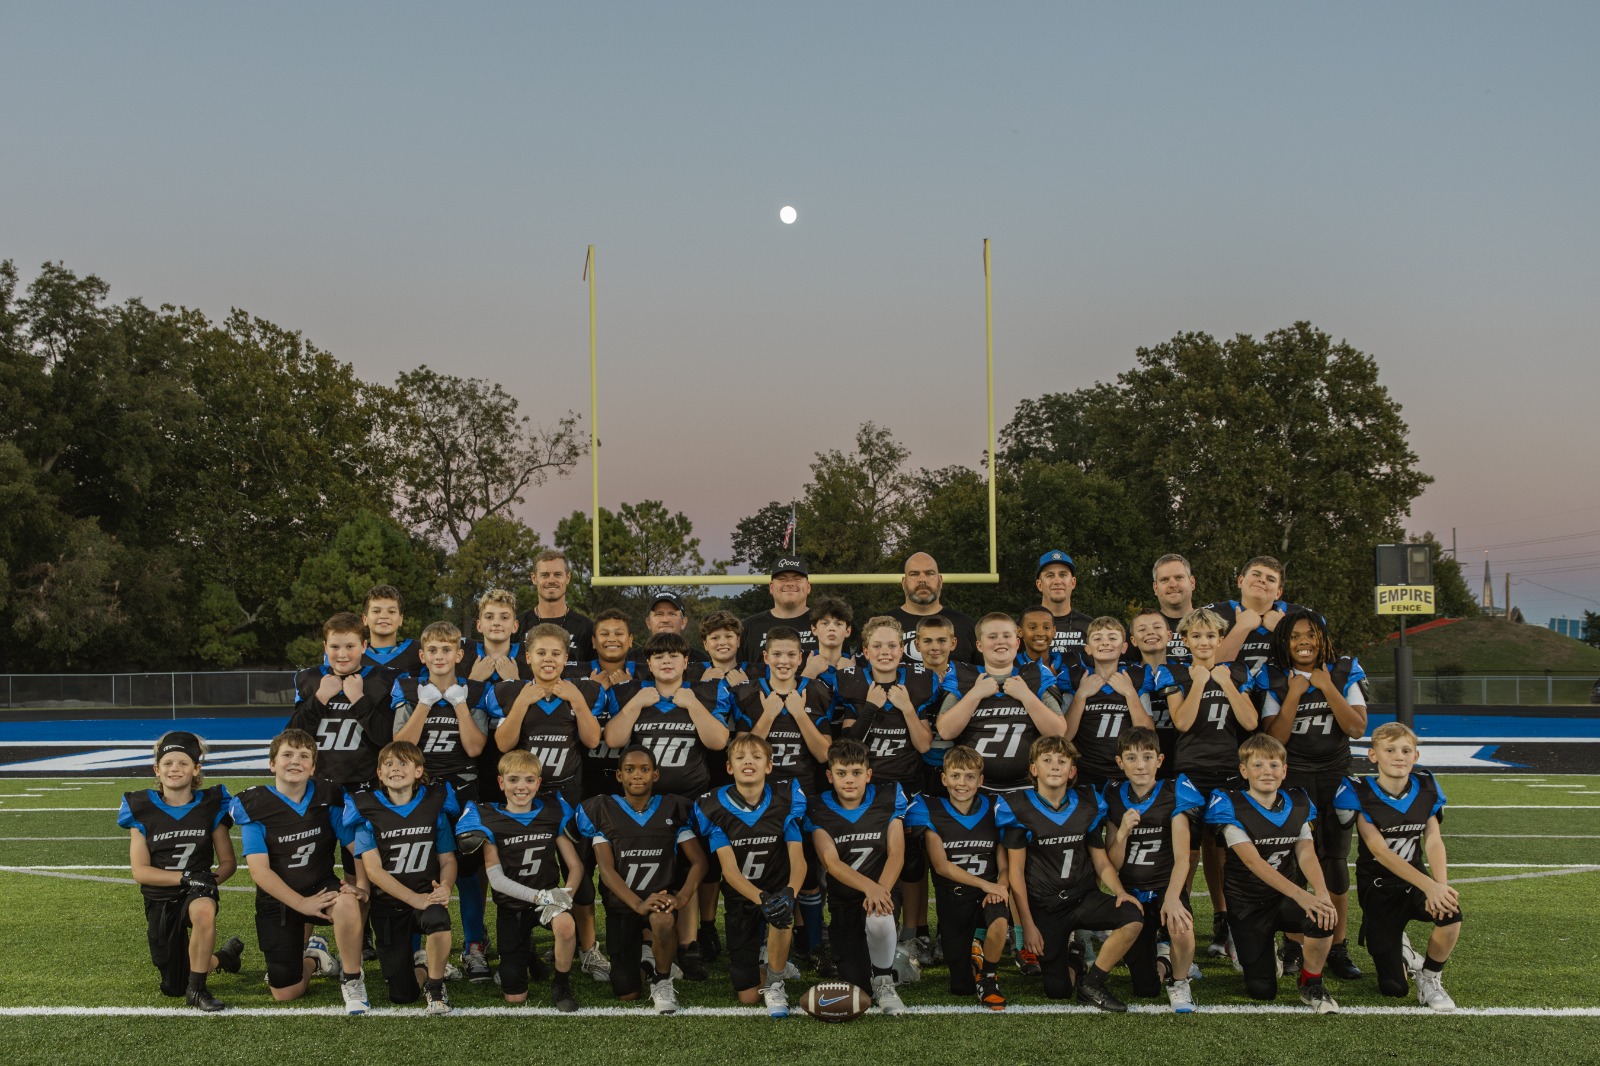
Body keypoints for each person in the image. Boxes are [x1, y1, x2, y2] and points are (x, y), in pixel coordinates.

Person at [487, 622, 610, 983]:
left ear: (566, 657)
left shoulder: (584, 690)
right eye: (540, 653)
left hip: (568, 796)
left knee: (582, 878)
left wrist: (575, 701)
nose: (548, 659)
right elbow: (503, 744)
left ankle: (588, 949)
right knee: (523, 874)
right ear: (527, 657)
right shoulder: (511, 692)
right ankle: (520, 950)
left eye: (556, 653)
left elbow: (591, 740)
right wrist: (523, 703)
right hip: (526, 798)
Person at [605, 630, 731, 979]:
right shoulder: (630, 693)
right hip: (645, 804)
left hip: (690, 802)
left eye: (674, 656)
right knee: (652, 870)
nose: (666, 662)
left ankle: (688, 946)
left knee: (687, 873)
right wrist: (635, 704)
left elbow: (719, 742)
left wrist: (691, 704)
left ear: (686, 662)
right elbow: (613, 739)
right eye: (659, 657)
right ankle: (651, 943)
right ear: (648, 663)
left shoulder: (704, 692)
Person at [1256, 608, 1368, 979]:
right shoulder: (1273, 676)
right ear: (1283, 642)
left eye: (1310, 634)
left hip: (1335, 776)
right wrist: (1295, 693)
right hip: (1294, 778)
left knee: (1334, 861)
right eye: (1294, 636)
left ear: (1323, 638)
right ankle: (1293, 942)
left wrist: (1326, 686)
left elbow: (1355, 727)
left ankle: (1337, 945)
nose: (1303, 641)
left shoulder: (1344, 669)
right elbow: (1275, 740)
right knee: (1293, 862)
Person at [997, 736, 1144, 1010]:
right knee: (1057, 991)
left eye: (1062, 761)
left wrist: (1121, 892)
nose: (1055, 766)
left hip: (1082, 896)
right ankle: (1075, 957)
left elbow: (1100, 860)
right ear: (1034, 769)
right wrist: (1026, 925)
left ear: (1072, 771)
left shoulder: (1088, 801)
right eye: (1047, 760)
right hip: (1046, 906)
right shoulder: (1017, 806)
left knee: (1133, 916)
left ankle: (1094, 983)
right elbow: (1016, 874)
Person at [231, 729, 370, 1013]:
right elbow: (260, 872)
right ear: (272, 764)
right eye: (288, 755)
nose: (296, 761)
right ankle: (314, 958)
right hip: (279, 900)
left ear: (313, 766)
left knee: (346, 901)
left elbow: (356, 845)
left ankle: (352, 977)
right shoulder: (254, 805)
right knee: (286, 993)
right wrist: (301, 904)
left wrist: (363, 885)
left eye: (304, 756)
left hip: (320, 887)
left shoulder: (327, 795)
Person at [831, 616, 946, 961]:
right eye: (877, 646)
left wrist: (908, 707)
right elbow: (847, 745)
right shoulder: (851, 684)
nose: (885, 652)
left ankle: (911, 934)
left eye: (892, 645)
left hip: (906, 786)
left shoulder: (920, 683)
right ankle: (857, 932)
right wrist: (870, 709)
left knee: (911, 861)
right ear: (865, 651)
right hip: (863, 790)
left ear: (902, 650)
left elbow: (925, 745)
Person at [1202, 734, 1340, 1012]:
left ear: (1284, 770)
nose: (1267, 772)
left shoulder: (1299, 802)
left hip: (1283, 898)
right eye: (1258, 765)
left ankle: (1311, 982)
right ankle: (1258, 949)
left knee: (1323, 916)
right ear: (1244, 771)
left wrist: (1322, 894)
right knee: (1262, 990)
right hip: (1247, 903)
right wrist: (1303, 895)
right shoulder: (1230, 804)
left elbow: (1306, 852)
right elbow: (1254, 863)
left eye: (1274, 765)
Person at [390, 620, 493, 982]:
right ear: (422, 655)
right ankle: (420, 948)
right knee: (419, 865)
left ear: (459, 655)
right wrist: (423, 706)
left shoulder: (475, 692)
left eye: (446, 650)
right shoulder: (407, 689)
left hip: (463, 787)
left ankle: (474, 945)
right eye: (432, 650)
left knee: (467, 870)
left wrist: (460, 706)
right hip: (420, 789)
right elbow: (401, 749)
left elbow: (475, 747)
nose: (439, 656)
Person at [1333, 723, 1462, 1011]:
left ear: (1415, 756)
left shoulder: (1426, 785)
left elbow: (1433, 841)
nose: (1398, 756)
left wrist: (1439, 886)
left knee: (1451, 914)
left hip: (1415, 881)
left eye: (1405, 750)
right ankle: (1401, 950)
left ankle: (1430, 977)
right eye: (1389, 750)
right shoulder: (1359, 791)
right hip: (1379, 889)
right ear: (1373, 755)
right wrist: (1430, 886)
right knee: (1393, 988)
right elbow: (1379, 851)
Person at [577, 744, 710, 1013]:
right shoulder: (604, 809)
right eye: (629, 770)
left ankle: (662, 979)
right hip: (623, 905)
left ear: (656, 775)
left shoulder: (673, 809)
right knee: (626, 992)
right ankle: (649, 961)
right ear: (619, 776)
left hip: (659, 899)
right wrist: (637, 904)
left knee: (662, 918)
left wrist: (681, 898)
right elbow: (606, 869)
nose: (637, 775)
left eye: (644, 769)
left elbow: (699, 861)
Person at [119, 730, 243, 1011]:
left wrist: (208, 885)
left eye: (184, 763)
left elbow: (228, 863)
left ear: (196, 769)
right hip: (160, 897)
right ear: (157, 769)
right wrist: (184, 877)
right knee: (173, 985)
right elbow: (140, 871)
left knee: (203, 910)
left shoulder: (211, 804)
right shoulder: (141, 808)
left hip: (197, 893)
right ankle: (223, 957)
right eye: (168, 763)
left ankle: (198, 991)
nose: (175, 769)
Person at [1160, 606, 1258, 962]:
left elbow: (1249, 721)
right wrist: (1200, 682)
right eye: (1196, 636)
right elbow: (1182, 722)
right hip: (1190, 772)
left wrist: (1226, 682)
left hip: (1230, 773)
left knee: (1228, 851)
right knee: (1186, 852)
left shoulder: (1236, 671)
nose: (1203, 642)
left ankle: (1227, 921)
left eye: (1210, 636)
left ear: (1220, 639)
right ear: (1184, 640)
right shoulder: (1174, 673)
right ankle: (1176, 922)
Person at [454, 750, 584, 1011]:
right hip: (512, 907)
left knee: (566, 924)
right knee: (515, 997)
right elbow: (497, 880)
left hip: (547, 903)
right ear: (501, 783)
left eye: (528, 780)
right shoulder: (489, 818)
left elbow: (575, 865)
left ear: (538, 783)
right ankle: (527, 954)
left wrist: (564, 897)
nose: (521, 787)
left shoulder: (552, 812)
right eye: (513, 780)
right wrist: (541, 896)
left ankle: (561, 984)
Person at [694, 734, 808, 1018]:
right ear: (729, 767)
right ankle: (772, 962)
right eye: (741, 757)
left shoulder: (786, 797)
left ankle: (775, 980)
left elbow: (798, 857)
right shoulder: (713, 806)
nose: (749, 762)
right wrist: (761, 898)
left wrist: (790, 892)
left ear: (769, 766)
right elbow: (729, 870)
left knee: (782, 912)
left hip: (778, 887)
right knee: (746, 997)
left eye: (756, 757)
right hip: (742, 897)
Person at [345, 741, 460, 1013]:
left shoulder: (435, 805)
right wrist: (414, 899)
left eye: (403, 763)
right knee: (402, 995)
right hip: (389, 906)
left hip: (426, 896)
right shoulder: (367, 811)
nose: (395, 768)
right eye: (389, 764)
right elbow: (373, 870)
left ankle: (435, 985)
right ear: (379, 773)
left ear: (419, 771)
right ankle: (423, 964)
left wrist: (444, 887)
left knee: (438, 918)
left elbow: (448, 860)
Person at [1101, 727, 1205, 1013]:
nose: (1140, 765)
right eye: (1132, 758)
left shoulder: (1173, 792)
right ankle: (1164, 960)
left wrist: (1173, 897)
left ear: (1159, 760)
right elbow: (1113, 863)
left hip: (1164, 886)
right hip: (1132, 892)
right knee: (1145, 989)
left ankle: (1180, 981)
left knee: (1181, 925)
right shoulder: (1112, 795)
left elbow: (1183, 857)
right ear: (1120, 762)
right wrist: (1121, 832)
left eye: (1147, 757)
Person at [805, 739, 909, 1014]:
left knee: (880, 915)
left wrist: (881, 892)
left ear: (868, 774)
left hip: (883, 890)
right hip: (845, 901)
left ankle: (886, 980)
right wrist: (869, 888)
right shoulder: (817, 807)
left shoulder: (888, 796)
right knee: (857, 985)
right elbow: (831, 862)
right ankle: (893, 961)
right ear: (829, 776)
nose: (849, 780)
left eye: (856, 773)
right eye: (841, 773)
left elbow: (897, 853)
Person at [904, 745, 1011, 1010]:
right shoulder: (929, 808)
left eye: (969, 776)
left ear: (981, 780)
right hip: (954, 897)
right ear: (944, 779)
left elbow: (1005, 864)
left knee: (999, 918)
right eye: (955, 776)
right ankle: (974, 953)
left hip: (987, 895)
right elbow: (941, 866)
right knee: (961, 987)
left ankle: (988, 977)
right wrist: (987, 884)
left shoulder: (996, 807)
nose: (961, 783)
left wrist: (1000, 887)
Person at [936, 612, 1064, 796]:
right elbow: (946, 731)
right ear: (979, 645)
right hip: (974, 790)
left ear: (1017, 642)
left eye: (1006, 636)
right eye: (992, 637)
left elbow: (1058, 732)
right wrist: (975, 694)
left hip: (1026, 787)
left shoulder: (1035, 674)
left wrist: (1026, 696)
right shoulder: (964, 676)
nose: (1000, 642)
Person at [287, 612, 393, 791]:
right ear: (325, 647)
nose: (342, 654)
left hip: (368, 784)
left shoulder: (383, 680)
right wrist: (320, 697)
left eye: (350, 646)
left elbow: (386, 739)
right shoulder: (310, 679)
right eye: (335, 646)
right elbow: (293, 737)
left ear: (363, 646)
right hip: (318, 783)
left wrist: (359, 700)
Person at [728, 626, 834, 796]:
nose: (784, 661)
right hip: (760, 791)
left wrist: (800, 714)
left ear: (800, 658)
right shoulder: (748, 693)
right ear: (766, 657)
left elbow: (824, 755)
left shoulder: (817, 691)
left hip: (804, 789)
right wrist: (768, 715)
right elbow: (740, 753)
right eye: (776, 654)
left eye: (791, 655)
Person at [1058, 616, 1159, 790]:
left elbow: (1148, 734)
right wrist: (1081, 695)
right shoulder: (1076, 679)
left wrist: (1129, 693)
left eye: (1112, 638)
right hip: (1086, 772)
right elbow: (1064, 736)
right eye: (1097, 638)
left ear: (1124, 647)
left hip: (1126, 773)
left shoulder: (1134, 678)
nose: (1105, 643)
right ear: (1088, 649)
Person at [1207, 556, 1315, 674]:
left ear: (1278, 593)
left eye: (1271, 579)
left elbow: (1318, 659)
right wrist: (1242, 627)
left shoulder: (1301, 616)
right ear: (1240, 581)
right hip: (1227, 689)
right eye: (1256, 574)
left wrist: (1283, 627)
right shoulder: (1212, 614)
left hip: (1285, 690)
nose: (1262, 580)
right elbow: (1207, 667)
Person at [891, 552, 978, 665]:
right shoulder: (883, 625)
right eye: (914, 574)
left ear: (940, 581)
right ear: (903, 582)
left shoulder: (965, 625)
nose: (922, 580)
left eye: (929, 573)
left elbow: (987, 673)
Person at [518, 549, 596, 672]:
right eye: (545, 575)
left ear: (568, 577)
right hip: (527, 691)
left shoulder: (586, 628)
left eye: (558, 574)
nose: (551, 580)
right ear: (534, 578)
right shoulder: (517, 626)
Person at [1125, 607, 1179, 775]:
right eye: (1142, 629)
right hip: (1142, 766)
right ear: (1133, 640)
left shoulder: (1186, 672)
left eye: (1157, 627)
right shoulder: (1126, 677)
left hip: (1181, 761)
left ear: (1169, 635)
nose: (1150, 632)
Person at [739, 556, 818, 665]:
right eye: (782, 579)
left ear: (808, 587)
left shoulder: (826, 624)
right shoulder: (748, 627)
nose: (790, 583)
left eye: (797, 578)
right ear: (771, 587)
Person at [1035, 550, 1093, 664]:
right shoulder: (1023, 627)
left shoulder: (1091, 627)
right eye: (1050, 575)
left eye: (1063, 575)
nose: (1057, 581)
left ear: (1073, 582)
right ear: (1039, 584)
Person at [461, 588, 523, 684]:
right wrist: (474, 680)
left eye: (504, 617)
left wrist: (514, 680)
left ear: (515, 626)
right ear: (479, 625)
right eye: (489, 617)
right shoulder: (461, 657)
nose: (496, 623)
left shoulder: (529, 658)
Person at [361, 584, 421, 680]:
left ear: (400, 619)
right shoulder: (353, 655)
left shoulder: (419, 652)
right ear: (365, 619)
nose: (384, 616)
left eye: (391, 612)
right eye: (376, 611)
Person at [1151, 554, 1198, 664]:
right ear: (1155, 588)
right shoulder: (1142, 628)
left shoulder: (1212, 623)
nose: (1172, 584)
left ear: (1192, 582)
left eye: (1179, 578)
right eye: (1164, 580)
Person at [800, 597, 856, 686]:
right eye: (825, 623)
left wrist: (852, 675)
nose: (832, 628)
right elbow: (791, 698)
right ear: (814, 629)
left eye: (838, 624)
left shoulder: (858, 663)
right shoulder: (800, 661)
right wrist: (809, 673)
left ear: (847, 631)